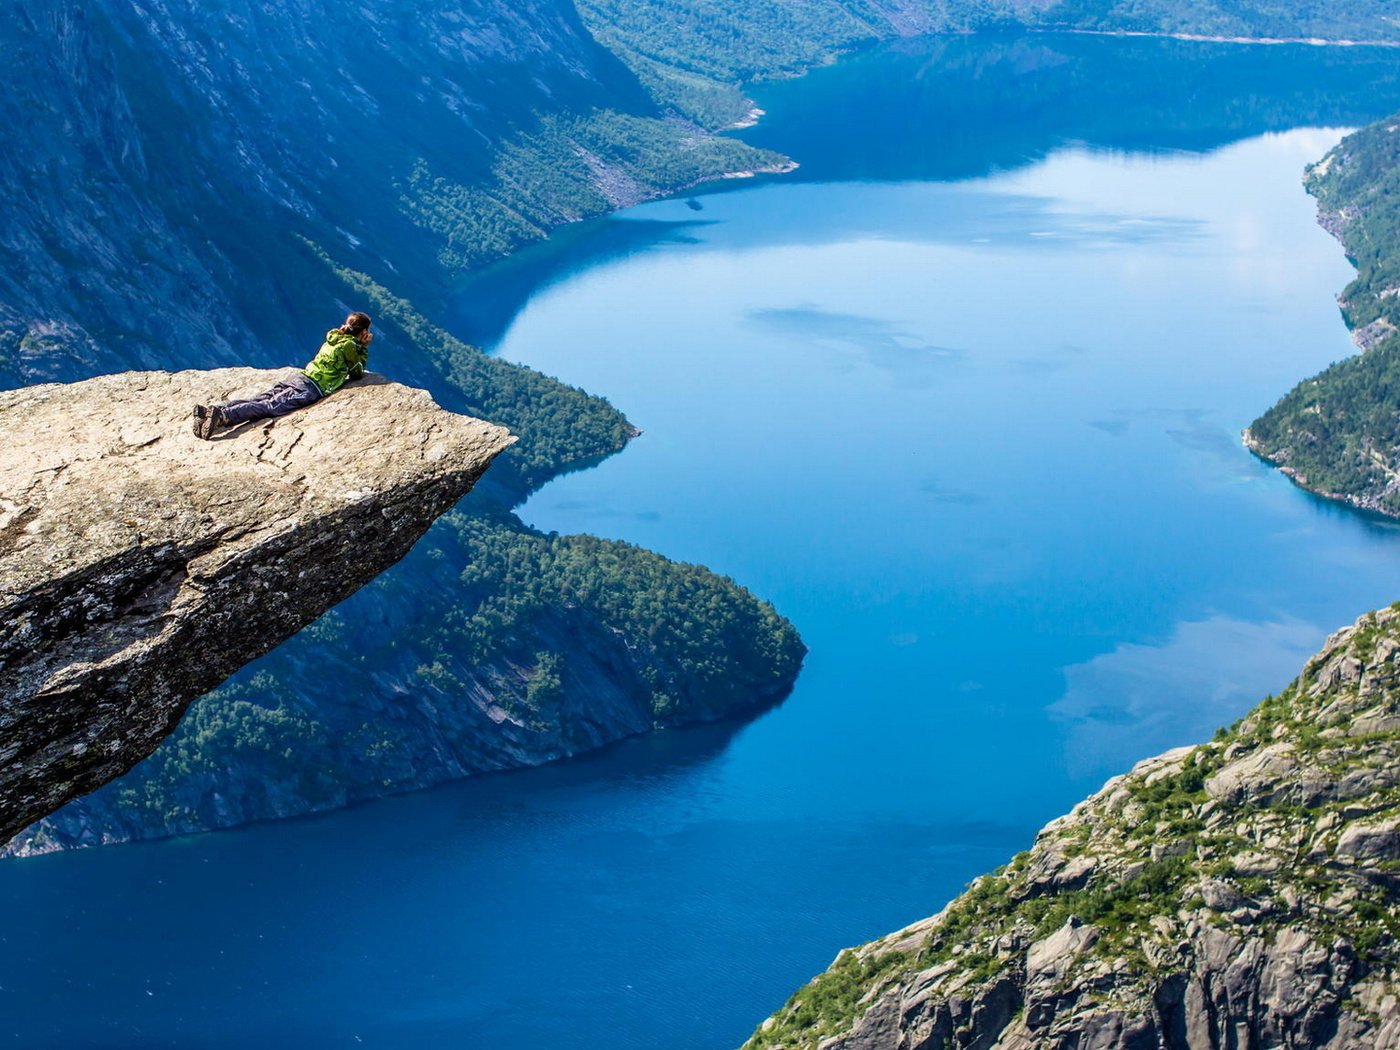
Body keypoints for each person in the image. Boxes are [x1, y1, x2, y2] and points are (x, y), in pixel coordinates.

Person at [193, 312, 374, 439]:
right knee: (269, 407)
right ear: (363, 332)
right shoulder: (350, 346)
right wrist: (363, 348)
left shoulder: (335, 336)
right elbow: (357, 372)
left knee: (260, 398)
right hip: (312, 387)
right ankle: (224, 416)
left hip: (301, 377)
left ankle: (212, 411)